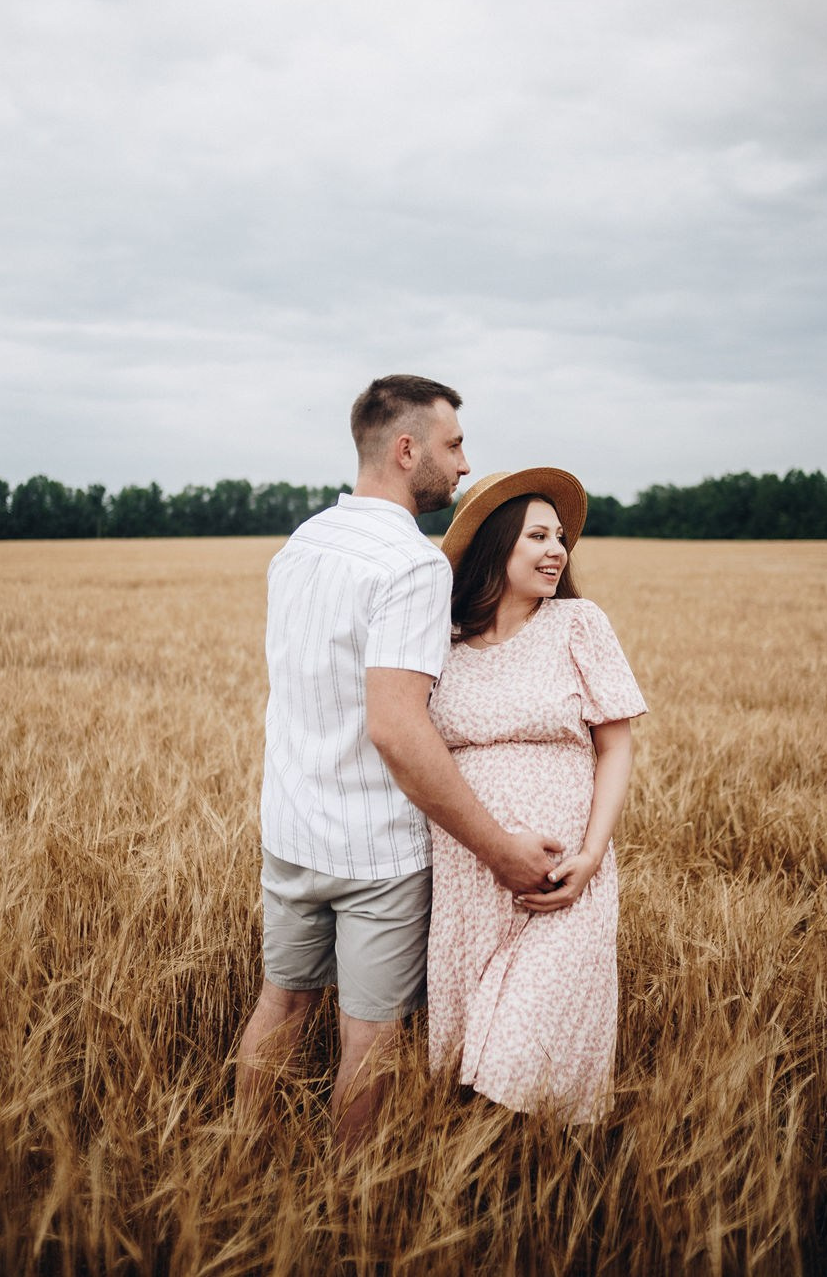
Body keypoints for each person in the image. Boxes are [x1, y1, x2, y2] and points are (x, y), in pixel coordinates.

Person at [235, 380, 563, 1151]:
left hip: (290, 831)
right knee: (371, 1038)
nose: (463, 463)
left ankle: (243, 1174)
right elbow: (397, 730)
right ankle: (352, 1210)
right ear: (405, 449)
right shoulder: (413, 566)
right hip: (375, 851)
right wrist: (499, 850)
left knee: (280, 1005)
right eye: (452, 446)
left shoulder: (301, 545)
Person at [427, 468, 647, 1123]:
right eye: (538, 536)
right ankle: (495, 1200)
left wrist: (591, 855)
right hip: (470, 880)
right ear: (498, 545)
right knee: (472, 1070)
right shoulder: (442, 642)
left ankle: (552, 1193)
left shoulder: (578, 623)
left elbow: (617, 745)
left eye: (561, 538)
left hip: (564, 881)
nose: (558, 550)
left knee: (525, 1051)